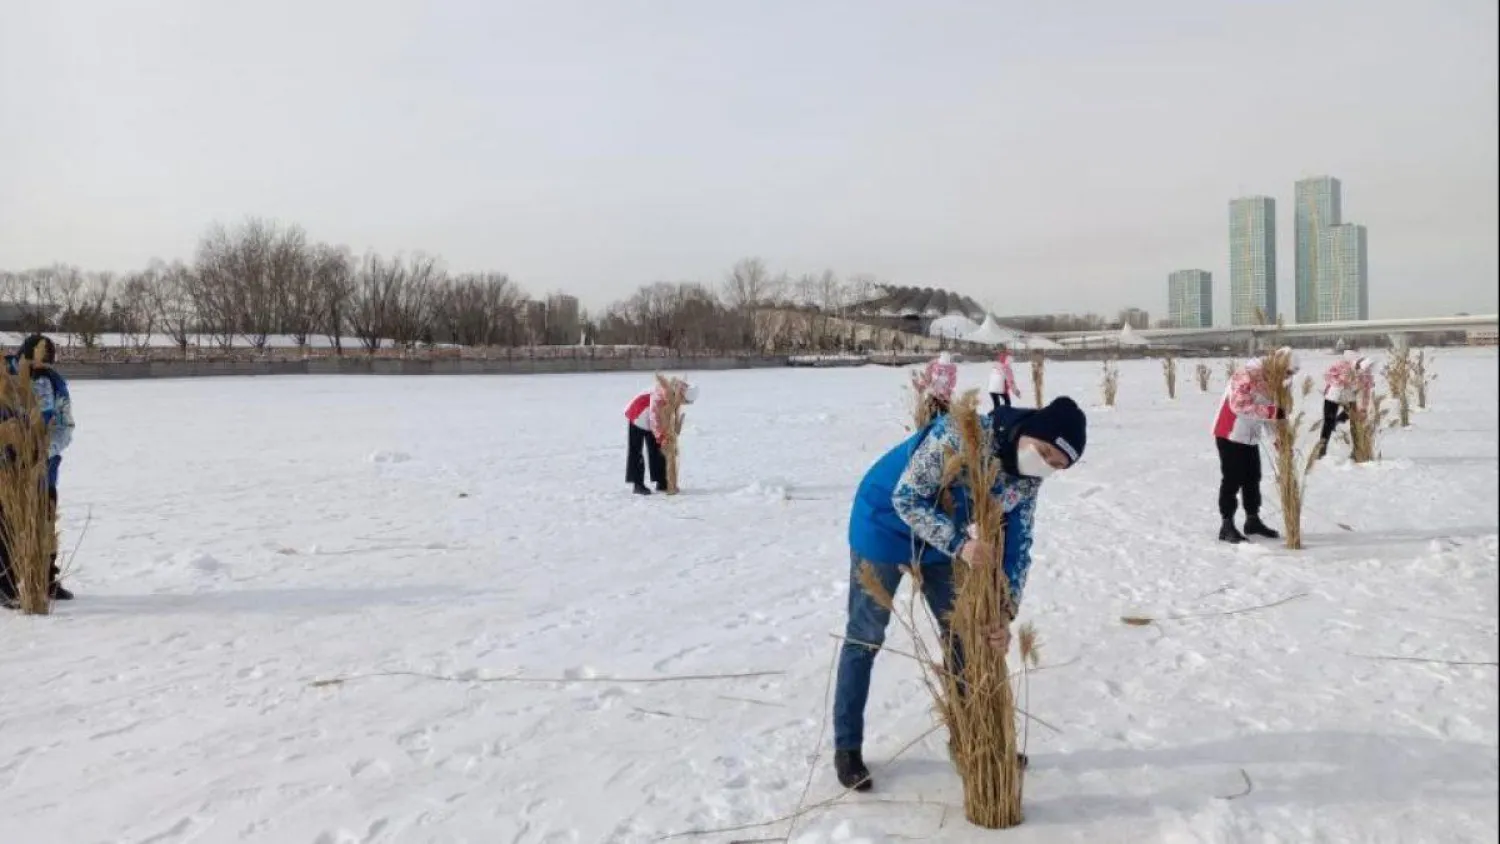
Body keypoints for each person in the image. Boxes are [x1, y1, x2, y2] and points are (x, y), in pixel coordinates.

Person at [833, 394, 1088, 791]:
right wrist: (960, 544)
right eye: (1043, 453)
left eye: (1057, 466)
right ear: (1030, 433)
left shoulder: (1027, 481)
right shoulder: (961, 436)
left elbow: (1018, 545)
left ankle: (969, 737)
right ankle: (847, 747)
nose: (1045, 466)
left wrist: (1005, 610)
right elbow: (907, 497)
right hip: (883, 523)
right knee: (865, 636)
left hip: (941, 539)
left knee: (963, 635)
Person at [0, 334, 76, 607]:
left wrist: (45, 450)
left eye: (47, 366)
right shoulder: (3, 379)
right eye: (36, 365)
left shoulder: (55, 384)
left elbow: (65, 425)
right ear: (23, 357)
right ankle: (6, 584)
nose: (41, 371)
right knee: (6, 525)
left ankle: (46, 579)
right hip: (6, 471)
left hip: (43, 469)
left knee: (44, 523)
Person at [1211, 347, 1297, 544]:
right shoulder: (1246, 375)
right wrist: (1273, 412)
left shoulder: (1274, 382)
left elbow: (1272, 414)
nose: (1288, 377)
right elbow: (1239, 406)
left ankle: (1252, 520)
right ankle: (1227, 524)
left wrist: (1279, 440)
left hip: (1250, 434)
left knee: (1252, 477)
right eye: (1288, 372)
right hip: (1230, 432)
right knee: (1233, 479)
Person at [623, 378, 697, 496]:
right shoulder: (661, 393)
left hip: (653, 417)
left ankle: (662, 481)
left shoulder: (677, 392)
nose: (684, 404)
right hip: (638, 414)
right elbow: (654, 418)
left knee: (658, 449)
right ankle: (637, 484)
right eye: (685, 401)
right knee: (636, 450)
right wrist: (661, 437)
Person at [1316, 351, 1375, 460]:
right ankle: (1321, 450)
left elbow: (1366, 392)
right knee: (1328, 422)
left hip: (1349, 396)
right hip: (1334, 395)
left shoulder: (1365, 375)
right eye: (1358, 366)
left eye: (1362, 370)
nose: (1360, 371)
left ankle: (1357, 451)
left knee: (1355, 422)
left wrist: (1363, 408)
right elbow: (1327, 375)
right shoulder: (1342, 365)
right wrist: (1341, 381)